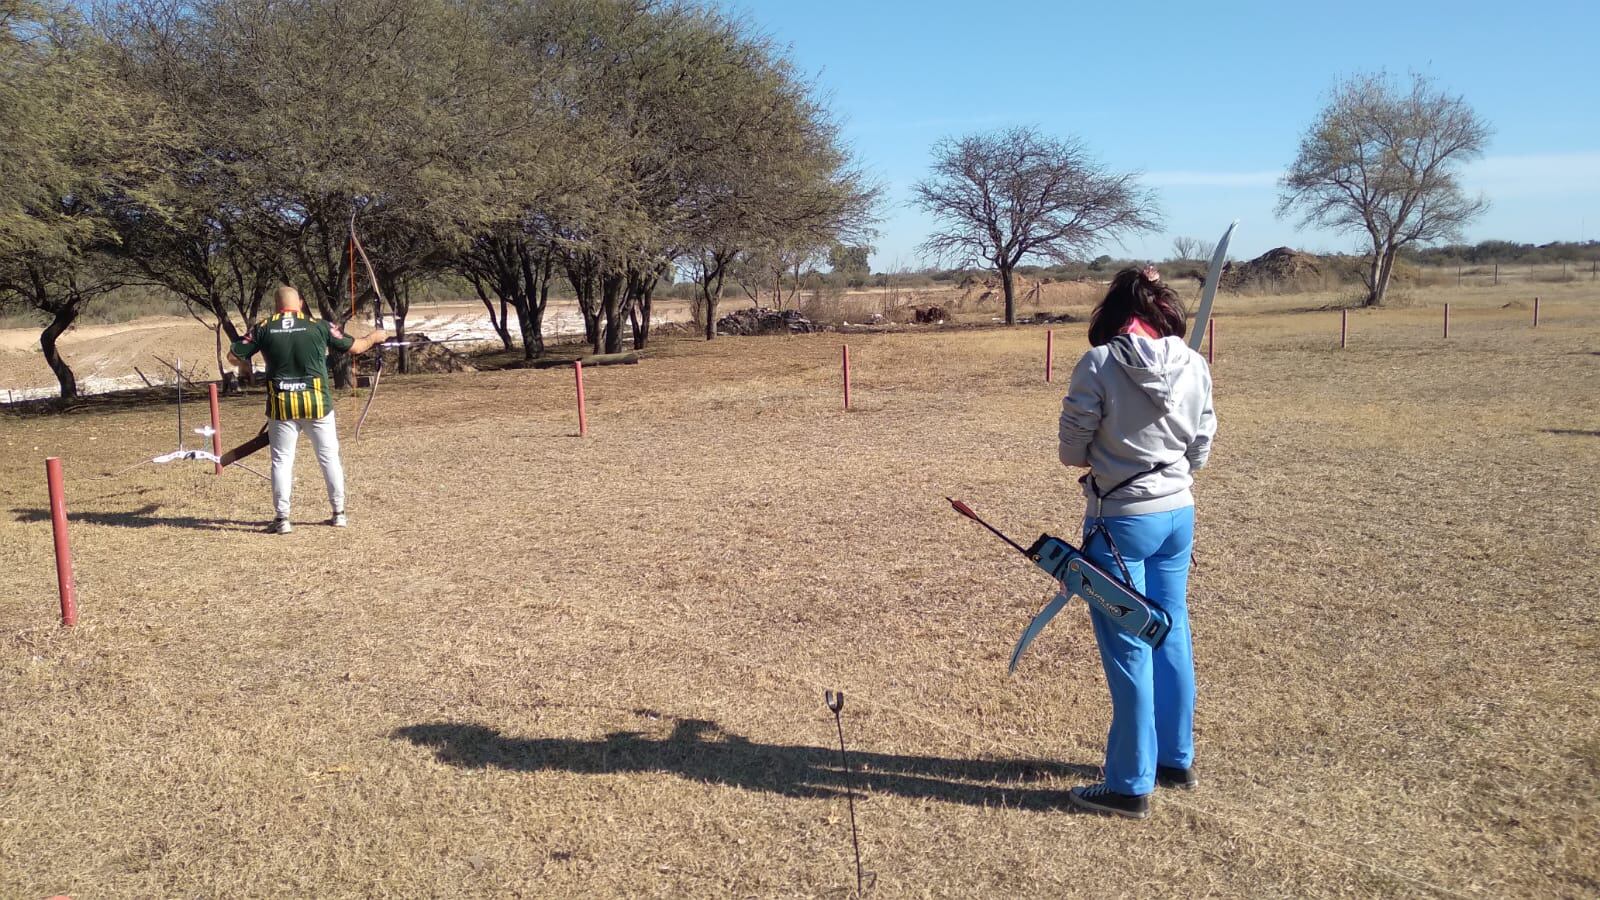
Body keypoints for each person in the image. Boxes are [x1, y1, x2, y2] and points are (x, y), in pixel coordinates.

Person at [1056, 265, 1216, 819]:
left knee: (1129, 648)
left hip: (1120, 521)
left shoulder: (1097, 364)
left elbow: (1072, 452)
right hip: (1179, 514)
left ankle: (1129, 784)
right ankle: (1176, 757)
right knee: (1171, 631)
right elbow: (1200, 446)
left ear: (1113, 313)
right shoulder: (1194, 362)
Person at [227, 285, 387, 534]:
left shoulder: (264, 327)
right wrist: (375, 338)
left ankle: (282, 520)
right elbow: (355, 347)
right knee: (329, 457)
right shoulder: (319, 326)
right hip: (317, 404)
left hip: (282, 404)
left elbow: (233, 353)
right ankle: (339, 513)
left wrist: (245, 367)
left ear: (276, 306)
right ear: (300, 303)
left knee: (281, 461)